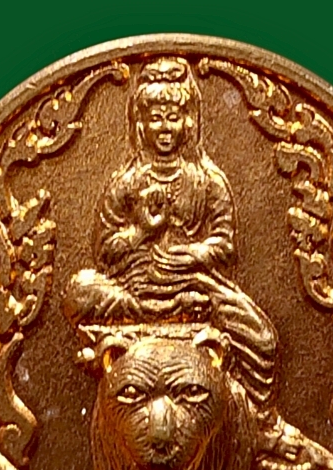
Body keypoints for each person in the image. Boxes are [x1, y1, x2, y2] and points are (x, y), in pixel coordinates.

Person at [64, 57, 277, 405]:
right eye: (156, 118)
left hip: (193, 284)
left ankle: (259, 416)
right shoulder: (126, 183)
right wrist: (141, 231)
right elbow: (106, 252)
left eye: (172, 117)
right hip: (136, 286)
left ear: (187, 122)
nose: (165, 128)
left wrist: (188, 255)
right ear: (141, 124)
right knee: (80, 289)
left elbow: (225, 247)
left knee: (262, 338)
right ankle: (158, 309)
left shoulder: (207, 181)